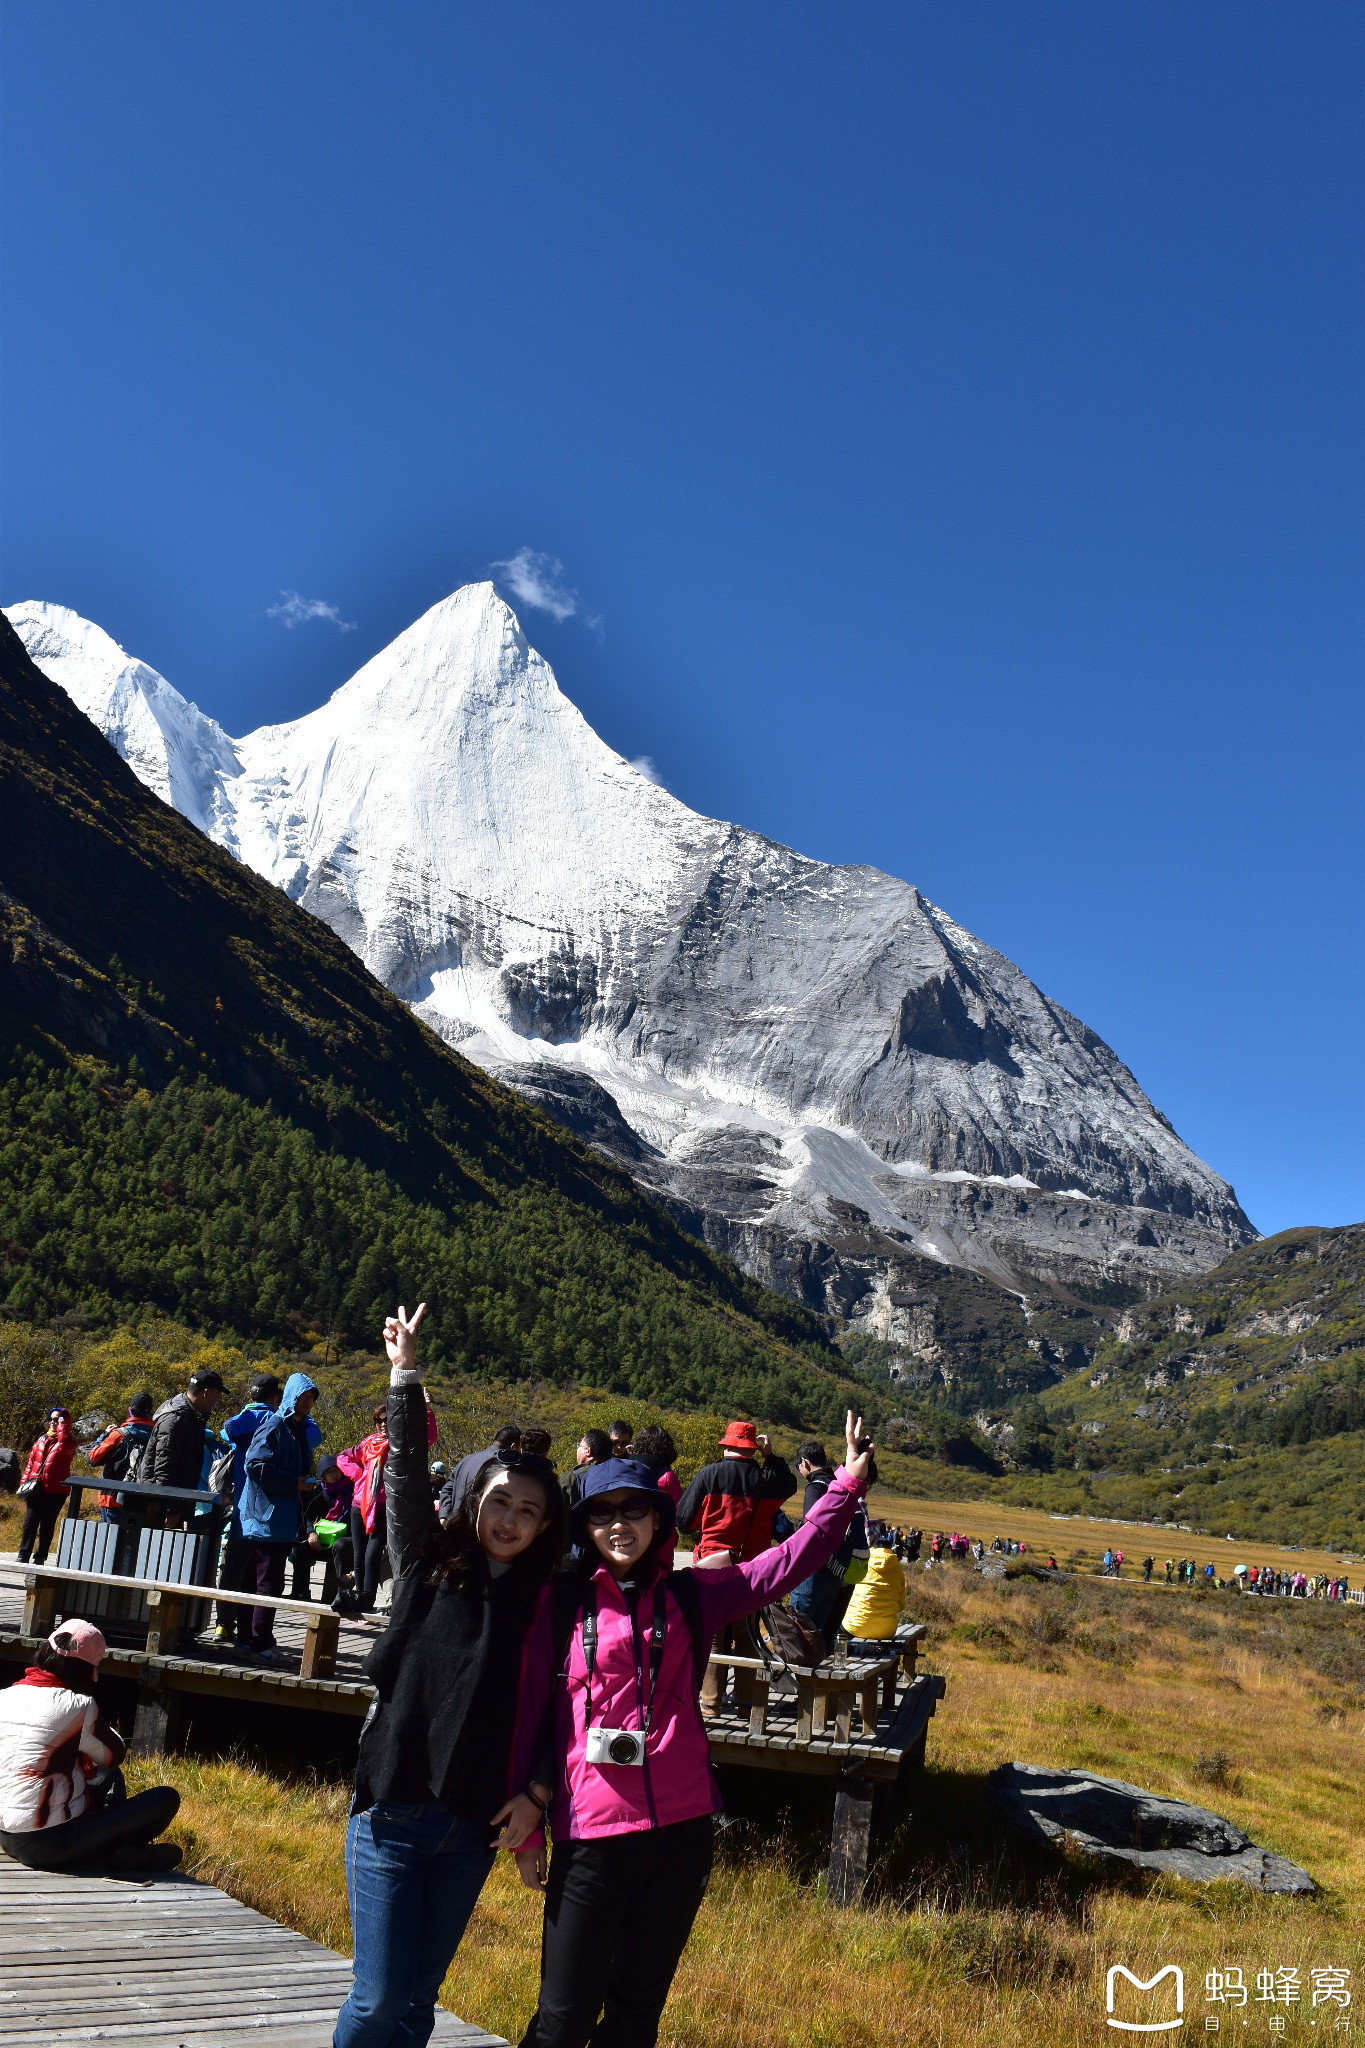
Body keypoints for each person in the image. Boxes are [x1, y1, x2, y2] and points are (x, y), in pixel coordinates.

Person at [509, 1411, 874, 2048]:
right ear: (585, 1524)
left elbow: (789, 1562)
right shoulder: (559, 1602)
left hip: (679, 1835)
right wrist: (527, 1834)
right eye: (603, 1513)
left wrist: (842, 1485)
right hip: (588, 1837)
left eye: (634, 1510)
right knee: (561, 2020)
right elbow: (528, 1716)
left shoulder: (692, 1596)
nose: (619, 1524)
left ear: (658, 1520)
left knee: (634, 2019)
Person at [332, 1304, 564, 2048]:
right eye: (499, 1502)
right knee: (377, 2000)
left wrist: (536, 1795)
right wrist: (405, 1376)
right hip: (393, 1812)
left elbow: (556, 1707)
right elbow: (399, 1475)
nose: (510, 1519)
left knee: (417, 2005)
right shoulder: (427, 1566)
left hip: (471, 1826)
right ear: (471, 1500)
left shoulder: (544, 1603)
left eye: (528, 1511)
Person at [0, 1620, 182, 1872]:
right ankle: (114, 1852)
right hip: (51, 1842)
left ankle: (115, 1851)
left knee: (108, 1776)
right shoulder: (79, 1706)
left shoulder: (5, 1695)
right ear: (89, 1670)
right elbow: (113, 1755)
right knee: (165, 1797)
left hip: (7, 1836)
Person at [677, 1420, 796, 1715]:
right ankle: (746, 1703)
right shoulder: (766, 1478)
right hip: (752, 1570)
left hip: (711, 1568)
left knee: (713, 1634)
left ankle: (711, 1702)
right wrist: (771, 1457)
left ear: (727, 1444)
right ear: (753, 1448)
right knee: (747, 1637)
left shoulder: (709, 1474)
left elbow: (684, 1520)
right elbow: (789, 1483)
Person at [238, 1373, 319, 1665]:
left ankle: (252, 1638)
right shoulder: (274, 1425)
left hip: (279, 1518)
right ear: (291, 1397)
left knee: (260, 1580)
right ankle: (259, 1642)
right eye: (303, 1396)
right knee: (268, 1582)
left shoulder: (296, 1429)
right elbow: (255, 1465)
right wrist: (293, 1483)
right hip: (266, 1518)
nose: (307, 1402)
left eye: (311, 1398)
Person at [214, 1372, 283, 1647]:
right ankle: (250, 1631)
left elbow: (225, 1431)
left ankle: (223, 1624)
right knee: (258, 1572)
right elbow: (313, 1436)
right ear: (275, 1397)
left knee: (232, 1567)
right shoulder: (275, 1420)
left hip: (238, 1504)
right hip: (263, 1507)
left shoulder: (242, 1420)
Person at [144, 1367, 227, 1516]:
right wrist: (171, 1510)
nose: (217, 1400)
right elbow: (164, 1468)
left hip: (174, 1501)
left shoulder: (190, 1416)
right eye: (217, 1394)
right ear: (206, 1393)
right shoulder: (176, 1420)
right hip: (162, 1506)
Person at [17, 1407, 77, 1564]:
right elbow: (31, 1463)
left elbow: (64, 1448)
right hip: (36, 1487)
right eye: (51, 1419)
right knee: (29, 1523)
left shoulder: (69, 1442)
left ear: (65, 1422)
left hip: (56, 1490)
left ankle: (40, 1556)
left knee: (47, 1525)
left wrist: (62, 1428)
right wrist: (24, 1482)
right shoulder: (41, 1439)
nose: (52, 1422)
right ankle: (23, 1554)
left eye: (57, 1419)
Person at [88, 1394, 155, 1523]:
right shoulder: (157, 1436)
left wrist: (104, 1436)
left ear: (130, 1411)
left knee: (109, 1541)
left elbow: (93, 1459)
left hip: (113, 1498)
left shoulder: (118, 1435)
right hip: (143, 1499)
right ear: (149, 1413)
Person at [627, 1426, 680, 1571]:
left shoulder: (626, 1470)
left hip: (631, 1536)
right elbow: (676, 1514)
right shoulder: (668, 1476)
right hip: (662, 1543)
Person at [843, 1522, 905, 1641]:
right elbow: (901, 1606)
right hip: (887, 1630)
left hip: (856, 1626)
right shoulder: (898, 1569)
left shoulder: (862, 1562)